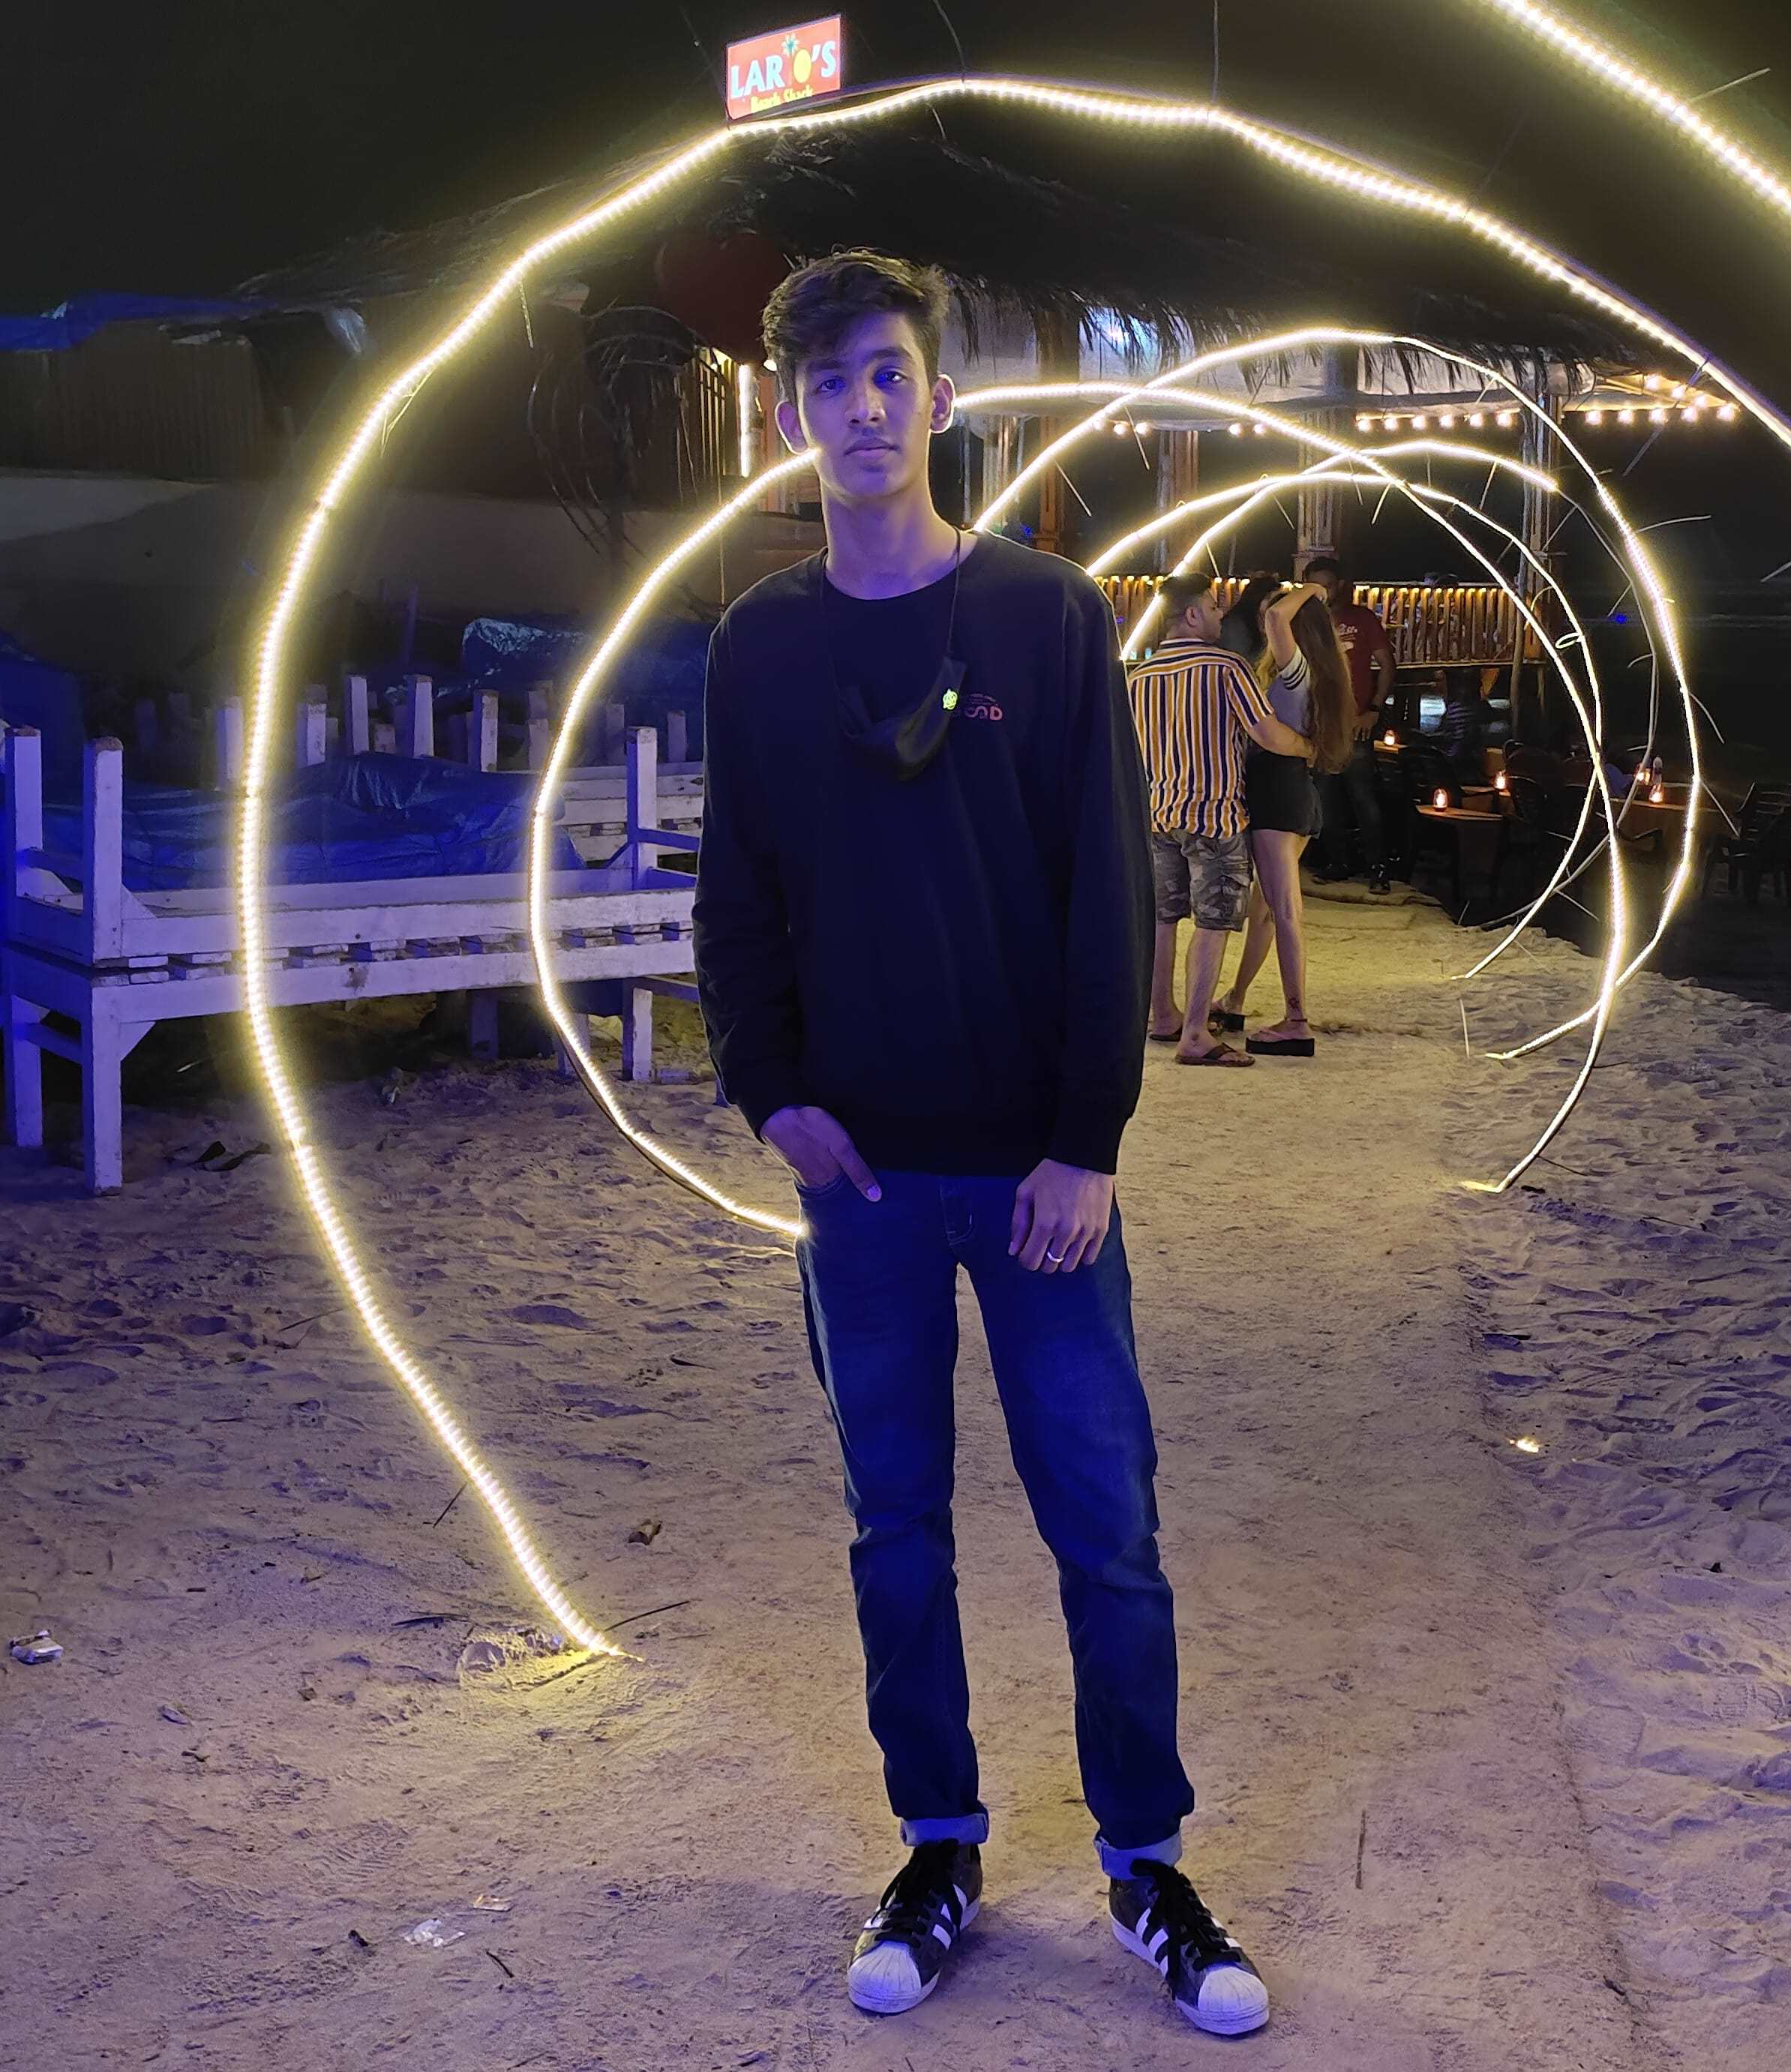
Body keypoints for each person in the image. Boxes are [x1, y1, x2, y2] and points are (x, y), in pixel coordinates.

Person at [692, 250, 1270, 2039]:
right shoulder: (761, 641)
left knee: (1107, 1528)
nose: (860, 409)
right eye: (826, 382)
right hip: (859, 1181)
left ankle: (1146, 1863)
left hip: (1035, 1183)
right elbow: (738, 889)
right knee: (896, 1532)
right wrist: (766, 1087)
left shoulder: (1044, 617)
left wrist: (1085, 1138)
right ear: (786, 411)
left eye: (887, 375)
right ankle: (935, 1847)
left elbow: (1103, 890)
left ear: (937, 399)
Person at [1127, 573, 1310, 1069]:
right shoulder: (1227, 667)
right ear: (1191, 615)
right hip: (1215, 816)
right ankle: (1194, 1034)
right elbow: (1267, 733)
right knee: (1214, 921)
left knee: (1163, 919)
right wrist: (1310, 748)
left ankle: (1162, 1015)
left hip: (1159, 816)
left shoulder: (1138, 677)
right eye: (1211, 607)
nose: (1219, 615)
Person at [1211, 582, 1355, 1057]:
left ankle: (1297, 1021)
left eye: (1270, 616)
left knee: (1285, 909)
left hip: (1277, 793)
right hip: (1292, 790)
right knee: (1268, 910)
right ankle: (1235, 1000)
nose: (1264, 622)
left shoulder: (1295, 674)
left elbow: (1276, 619)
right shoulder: (1315, 674)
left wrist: (1310, 589)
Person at [1303, 554, 1395, 889]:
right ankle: (1338, 861)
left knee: (1363, 796)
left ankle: (1378, 867)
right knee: (1326, 796)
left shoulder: (1361, 618)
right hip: (1321, 724)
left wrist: (1374, 708)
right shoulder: (1305, 622)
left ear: (1340, 585)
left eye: (1326, 586)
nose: (1321, 593)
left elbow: (1387, 665)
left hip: (1356, 722)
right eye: (1314, 587)